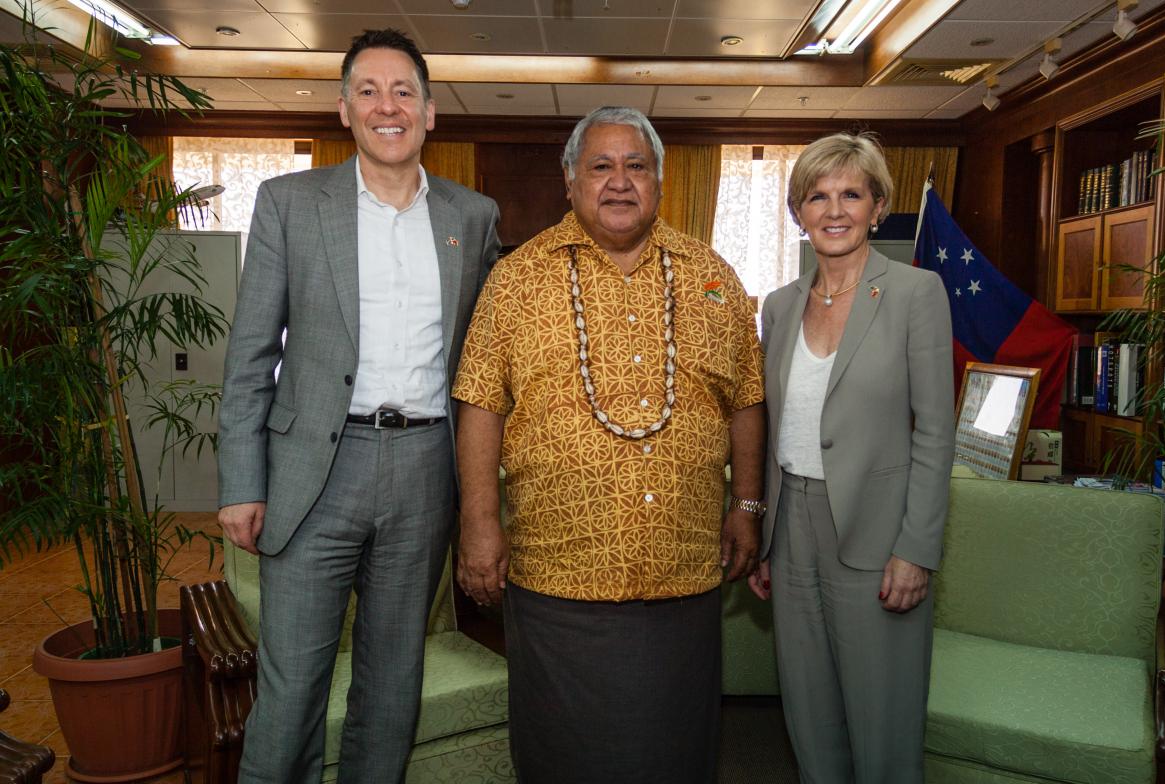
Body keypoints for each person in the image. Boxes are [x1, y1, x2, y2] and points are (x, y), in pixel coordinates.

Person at [215, 28, 500, 784]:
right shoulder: (289, 203)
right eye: (369, 91)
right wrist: (244, 482)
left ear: (430, 113)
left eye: (404, 91)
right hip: (314, 471)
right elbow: (250, 353)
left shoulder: (473, 218)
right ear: (344, 110)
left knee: (392, 681)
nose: (387, 106)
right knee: (292, 687)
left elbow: (491, 355)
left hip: (423, 473)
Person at [452, 106, 765, 784]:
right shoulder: (517, 280)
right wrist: (478, 522)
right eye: (601, 166)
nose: (619, 182)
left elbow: (746, 398)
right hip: (559, 579)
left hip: (684, 570)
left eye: (636, 166)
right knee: (565, 754)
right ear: (570, 181)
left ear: (659, 180)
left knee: (674, 753)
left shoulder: (714, 278)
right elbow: (479, 403)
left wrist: (748, 504)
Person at [748, 132, 955, 783]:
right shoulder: (779, 307)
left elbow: (935, 432)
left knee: (882, 728)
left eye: (850, 195)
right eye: (817, 196)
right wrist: (762, 538)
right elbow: (772, 425)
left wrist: (916, 549)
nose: (833, 210)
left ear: (877, 205)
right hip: (792, 534)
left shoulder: (915, 293)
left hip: (879, 534)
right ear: (798, 212)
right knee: (810, 718)